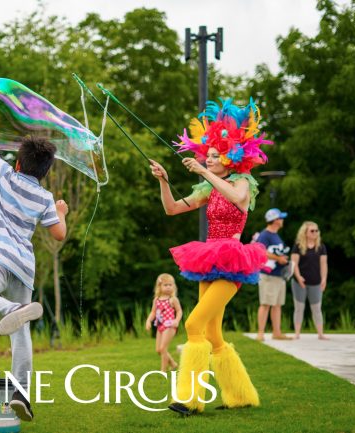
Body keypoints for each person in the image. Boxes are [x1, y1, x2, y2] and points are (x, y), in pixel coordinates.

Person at [150, 98, 270, 416]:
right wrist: (163, 181)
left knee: (193, 324)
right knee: (214, 334)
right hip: (209, 259)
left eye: (216, 156)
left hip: (233, 260)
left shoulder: (243, 182)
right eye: (209, 156)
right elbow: (173, 208)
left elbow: (238, 199)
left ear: (231, 157)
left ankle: (190, 399)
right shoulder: (209, 187)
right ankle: (240, 395)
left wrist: (204, 171)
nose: (210, 159)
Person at [0, 91, 68, 422]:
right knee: (19, 333)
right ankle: (20, 392)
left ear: (19, 163)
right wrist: (61, 211)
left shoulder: (4, 175)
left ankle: (13, 309)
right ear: (45, 172)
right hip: (24, 266)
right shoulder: (45, 197)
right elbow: (59, 234)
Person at [256, 208, 292, 341]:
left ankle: (277, 332)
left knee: (277, 305)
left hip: (278, 275)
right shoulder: (265, 235)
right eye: (280, 218)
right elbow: (261, 251)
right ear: (275, 220)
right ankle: (260, 333)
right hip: (268, 275)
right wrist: (278, 259)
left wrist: (283, 258)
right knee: (265, 303)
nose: (282, 220)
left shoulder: (276, 235)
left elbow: (275, 252)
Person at [291, 221, 328, 340]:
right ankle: (297, 333)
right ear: (305, 233)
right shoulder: (298, 246)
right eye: (312, 231)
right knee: (299, 307)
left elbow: (323, 264)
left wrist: (324, 279)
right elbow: (294, 263)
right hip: (299, 282)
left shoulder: (321, 246)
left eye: (317, 230)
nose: (315, 233)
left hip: (316, 282)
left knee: (317, 308)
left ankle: (320, 334)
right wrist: (298, 276)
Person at [145, 273, 182, 372]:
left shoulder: (173, 300)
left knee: (163, 348)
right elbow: (153, 312)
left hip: (170, 326)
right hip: (160, 326)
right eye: (166, 285)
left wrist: (176, 320)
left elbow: (179, 311)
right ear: (159, 287)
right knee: (158, 350)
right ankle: (173, 364)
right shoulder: (156, 300)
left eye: (170, 285)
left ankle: (163, 371)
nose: (169, 287)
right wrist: (148, 321)